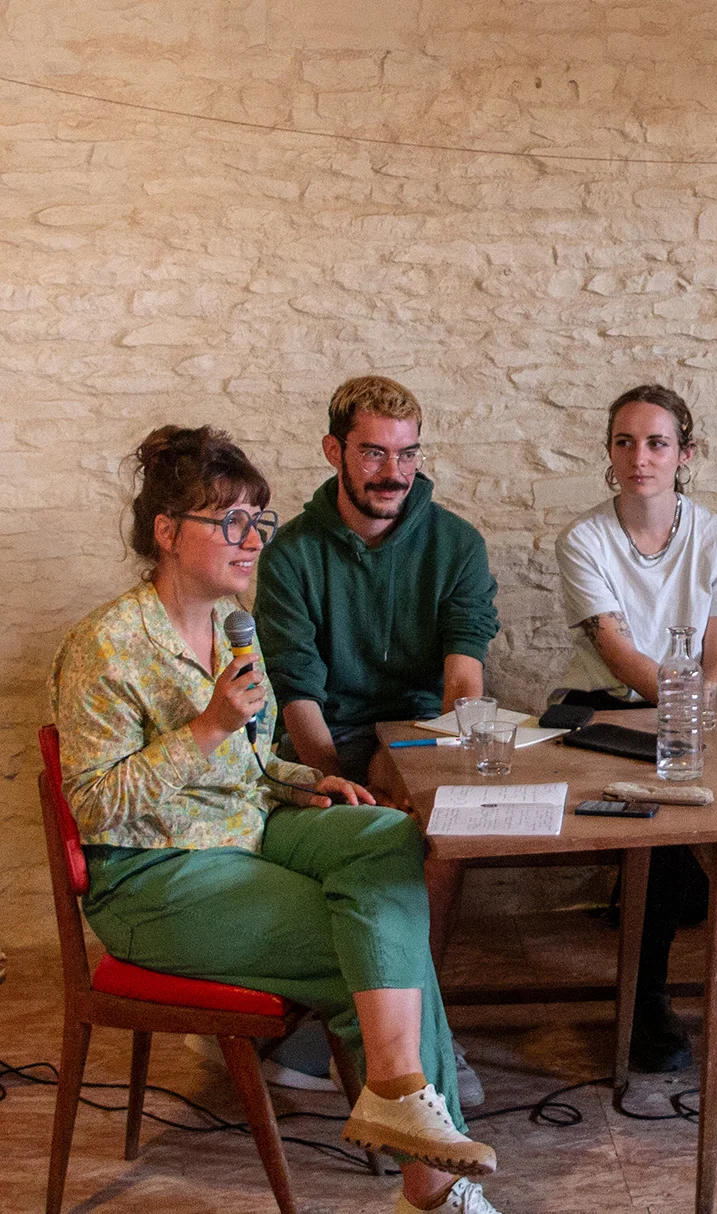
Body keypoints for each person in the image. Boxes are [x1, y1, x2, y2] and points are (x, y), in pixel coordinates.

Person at [52, 425, 505, 1214]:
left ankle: (403, 1106)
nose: (253, 539)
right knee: (378, 943)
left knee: (390, 836)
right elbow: (93, 808)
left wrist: (313, 780)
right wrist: (207, 729)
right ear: (166, 533)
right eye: (231, 522)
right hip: (151, 878)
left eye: (259, 521)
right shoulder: (106, 645)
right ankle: (436, 1191)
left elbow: (253, 766)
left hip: (250, 834)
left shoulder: (238, 626)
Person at [556, 384, 717, 1073]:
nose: (640, 457)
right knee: (669, 826)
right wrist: (679, 713)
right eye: (625, 442)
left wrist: (696, 712)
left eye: (657, 442)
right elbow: (617, 652)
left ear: (685, 453)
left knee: (674, 828)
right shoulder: (584, 538)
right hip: (607, 713)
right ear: (609, 454)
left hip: (700, 715)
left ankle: (646, 1003)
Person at [256, 375, 499, 802]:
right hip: (325, 735)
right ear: (334, 451)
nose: (394, 475)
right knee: (379, 809)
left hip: (419, 729)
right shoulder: (290, 555)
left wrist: (446, 770)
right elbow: (296, 690)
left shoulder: (459, 544)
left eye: (408, 455)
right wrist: (341, 790)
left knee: (426, 804)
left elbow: (463, 677)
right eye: (374, 454)